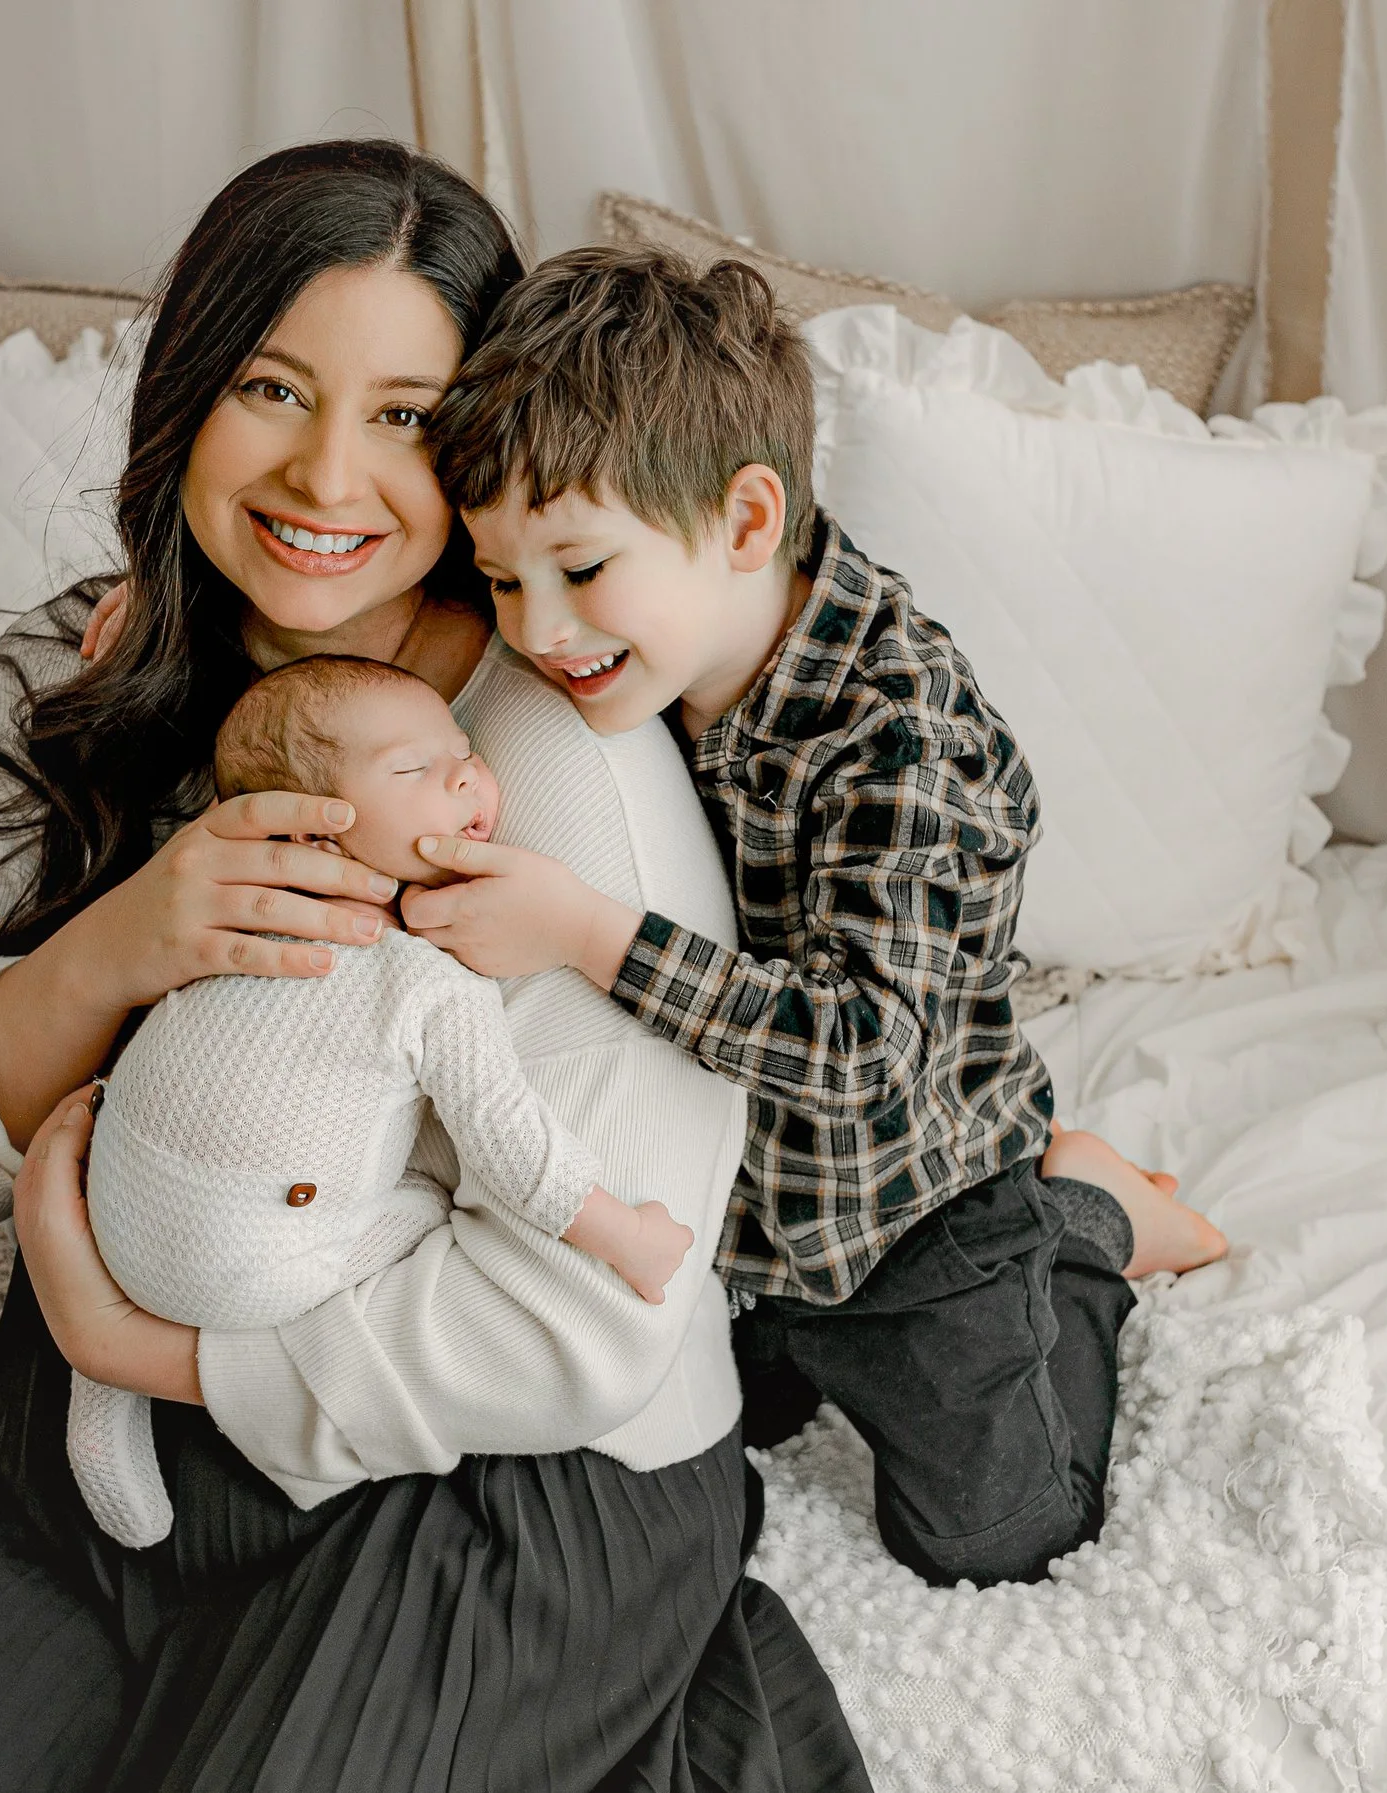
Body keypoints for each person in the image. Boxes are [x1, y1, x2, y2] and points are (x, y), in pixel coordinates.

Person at [0, 143, 870, 1792]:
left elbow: (596, 1317)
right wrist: (123, 946)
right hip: (97, 1436)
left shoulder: (551, 761)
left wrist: (166, 1356)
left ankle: (664, 1678)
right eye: (273, 388)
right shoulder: (71, 671)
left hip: (499, 1469)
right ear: (188, 390)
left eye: (409, 416)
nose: (328, 476)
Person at [407, 244, 1230, 1588]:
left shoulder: (900, 733)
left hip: (922, 1205)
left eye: (580, 568)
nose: (538, 630)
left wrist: (579, 929)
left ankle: (1084, 1214)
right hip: (755, 1214)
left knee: (997, 1532)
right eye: (504, 580)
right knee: (658, 1429)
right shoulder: (658, 649)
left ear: (745, 521)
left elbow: (858, 1050)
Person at [64, 654, 694, 1548]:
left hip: (106, 1214)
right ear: (311, 831)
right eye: (415, 768)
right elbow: (508, 1140)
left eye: (465, 751)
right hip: (250, 1267)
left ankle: (99, 1395)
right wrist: (625, 1234)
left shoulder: (231, 922)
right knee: (429, 1200)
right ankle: (185, 1372)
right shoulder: (427, 979)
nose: (467, 775)